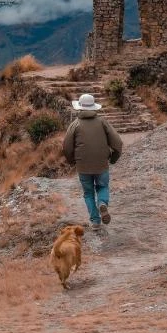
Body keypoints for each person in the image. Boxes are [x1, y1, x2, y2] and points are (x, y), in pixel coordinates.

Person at [63, 93, 123, 230]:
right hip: (101, 164)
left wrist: (73, 161)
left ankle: (95, 221)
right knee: (102, 187)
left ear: (80, 108)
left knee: (88, 193)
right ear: (94, 108)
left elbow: (66, 147)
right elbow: (118, 142)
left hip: (83, 166)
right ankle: (102, 203)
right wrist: (113, 158)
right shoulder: (103, 122)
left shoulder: (75, 124)